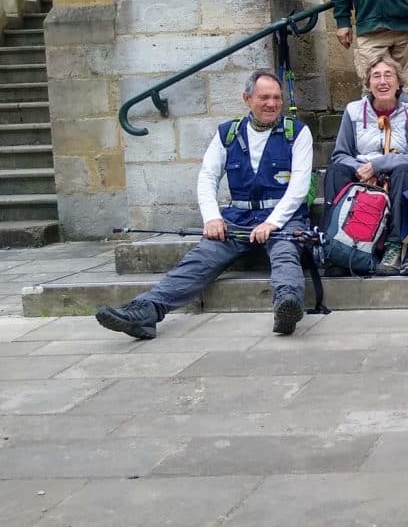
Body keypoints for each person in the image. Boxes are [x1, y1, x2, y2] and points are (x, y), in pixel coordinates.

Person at [94, 72, 314, 339]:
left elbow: (299, 185)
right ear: (247, 99)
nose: (272, 104)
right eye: (264, 97)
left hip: (284, 218)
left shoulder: (298, 133)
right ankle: (146, 310)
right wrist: (212, 218)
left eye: (277, 97)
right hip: (238, 219)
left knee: (285, 252)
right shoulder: (228, 134)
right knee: (200, 259)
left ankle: (287, 304)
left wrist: (273, 222)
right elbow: (207, 177)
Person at [324, 56, 408, 275]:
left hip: (397, 170)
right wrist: (362, 169)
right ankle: (336, 247)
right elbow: (341, 154)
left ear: (399, 82)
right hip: (361, 172)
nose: (382, 81)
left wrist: (378, 165)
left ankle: (394, 245)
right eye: (376, 76)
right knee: (335, 172)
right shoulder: (353, 110)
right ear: (368, 84)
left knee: (406, 170)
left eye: (388, 75)